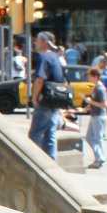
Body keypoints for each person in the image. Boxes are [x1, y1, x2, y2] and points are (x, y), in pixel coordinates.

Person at [29, 29, 67, 158]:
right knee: (50, 135)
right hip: (55, 101)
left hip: (44, 101)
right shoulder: (56, 57)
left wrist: (34, 98)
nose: (35, 43)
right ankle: (51, 162)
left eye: (37, 40)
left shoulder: (43, 57)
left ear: (45, 42)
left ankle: (34, 162)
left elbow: (40, 79)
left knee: (35, 134)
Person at [81, 64, 107, 169]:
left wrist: (90, 102)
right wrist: (87, 107)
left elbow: (105, 105)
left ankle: (99, 159)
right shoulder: (96, 87)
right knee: (89, 138)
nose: (88, 78)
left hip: (99, 116)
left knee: (97, 139)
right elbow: (94, 101)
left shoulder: (100, 88)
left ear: (95, 77)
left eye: (90, 76)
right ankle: (100, 157)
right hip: (95, 115)